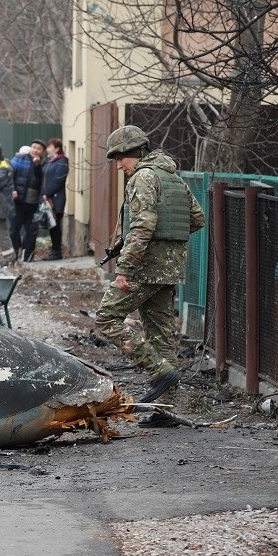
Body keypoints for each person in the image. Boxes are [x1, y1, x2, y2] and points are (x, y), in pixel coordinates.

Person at [94, 125, 205, 426]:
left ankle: (160, 372)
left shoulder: (143, 176)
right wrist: (168, 243)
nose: (119, 166)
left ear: (137, 152)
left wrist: (125, 268)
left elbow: (142, 226)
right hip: (169, 268)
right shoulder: (172, 177)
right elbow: (197, 218)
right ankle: (164, 409)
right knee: (161, 334)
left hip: (144, 267)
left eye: (121, 159)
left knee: (106, 318)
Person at [8, 140, 45, 262]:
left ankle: (28, 256)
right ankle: (14, 254)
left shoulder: (43, 164)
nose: (35, 150)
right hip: (18, 202)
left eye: (39, 149)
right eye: (34, 147)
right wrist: (13, 190)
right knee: (13, 230)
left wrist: (37, 166)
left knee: (31, 232)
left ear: (42, 152)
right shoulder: (19, 159)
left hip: (34, 204)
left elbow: (42, 181)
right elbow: (9, 175)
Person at [41, 138, 69, 260]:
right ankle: (54, 251)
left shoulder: (62, 161)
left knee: (55, 225)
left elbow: (58, 180)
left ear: (57, 148)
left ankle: (57, 251)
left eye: (50, 147)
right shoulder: (49, 161)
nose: (47, 149)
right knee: (51, 225)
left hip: (56, 199)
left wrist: (47, 193)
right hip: (48, 198)